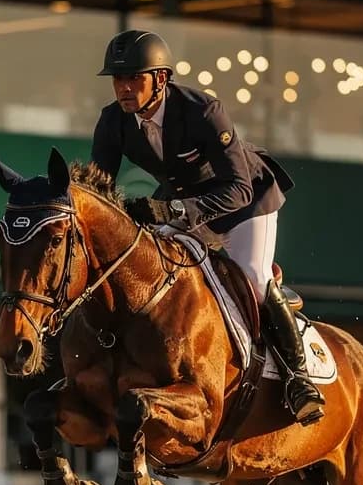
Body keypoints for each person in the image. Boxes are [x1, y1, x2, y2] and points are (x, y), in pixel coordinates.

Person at [89, 28, 323, 425]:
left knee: (253, 277)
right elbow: (98, 190)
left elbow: (238, 187)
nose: (124, 88)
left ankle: (299, 380)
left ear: (160, 79)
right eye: (118, 79)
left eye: (134, 78)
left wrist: (174, 210)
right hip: (184, 202)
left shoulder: (202, 110)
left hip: (247, 202)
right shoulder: (113, 122)